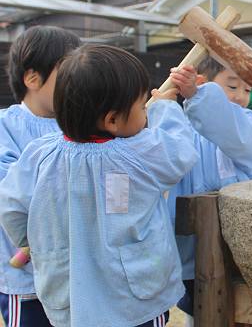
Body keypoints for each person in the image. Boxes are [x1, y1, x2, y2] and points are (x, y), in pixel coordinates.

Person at [0, 44, 198, 327]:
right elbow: (180, 151)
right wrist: (166, 109)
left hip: (69, 297)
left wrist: (32, 241)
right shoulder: (139, 151)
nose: (146, 114)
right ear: (112, 119)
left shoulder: (39, 154)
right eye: (142, 107)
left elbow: (11, 207)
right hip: (135, 299)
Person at [167, 59, 252, 326]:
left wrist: (200, 98)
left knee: (242, 307)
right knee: (199, 306)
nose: (241, 96)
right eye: (232, 86)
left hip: (237, 238)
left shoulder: (245, 122)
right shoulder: (178, 126)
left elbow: (231, 133)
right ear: (201, 83)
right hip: (190, 242)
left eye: (247, 89)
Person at [0, 26, 80, 327]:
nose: (78, 83)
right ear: (33, 78)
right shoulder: (5, 125)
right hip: (28, 279)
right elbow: (9, 189)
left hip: (79, 278)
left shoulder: (82, 124)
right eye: (68, 73)